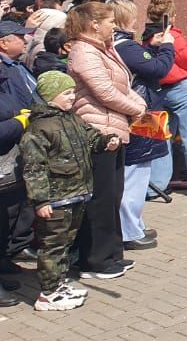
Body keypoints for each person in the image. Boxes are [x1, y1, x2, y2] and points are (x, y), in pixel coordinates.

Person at [20, 71, 120, 310]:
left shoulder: (72, 119)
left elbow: (91, 137)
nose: (72, 97)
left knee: (66, 243)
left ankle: (59, 283)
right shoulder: (40, 128)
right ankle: (47, 293)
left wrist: (106, 141)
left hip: (77, 193)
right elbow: (34, 167)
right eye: (66, 93)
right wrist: (41, 200)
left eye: (73, 92)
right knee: (53, 245)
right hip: (55, 198)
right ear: (49, 96)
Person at [66, 1, 146, 279]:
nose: (115, 25)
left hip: (114, 128)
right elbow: (104, 91)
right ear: (93, 24)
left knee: (112, 195)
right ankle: (95, 260)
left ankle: (110, 255)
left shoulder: (104, 49)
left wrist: (139, 103)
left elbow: (121, 85)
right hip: (97, 131)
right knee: (100, 197)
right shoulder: (83, 52)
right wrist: (137, 109)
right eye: (110, 21)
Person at [109, 0, 173, 250]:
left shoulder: (119, 45)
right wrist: (167, 47)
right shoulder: (124, 46)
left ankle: (133, 223)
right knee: (135, 173)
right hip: (138, 114)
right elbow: (159, 69)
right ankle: (129, 230)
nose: (136, 21)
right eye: (131, 17)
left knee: (136, 171)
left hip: (135, 112)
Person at [144, 0, 187, 197]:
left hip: (157, 91)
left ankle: (156, 185)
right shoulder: (172, 35)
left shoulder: (148, 36)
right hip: (180, 89)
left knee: (162, 137)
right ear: (171, 16)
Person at [0, 19, 37, 306]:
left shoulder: (13, 68)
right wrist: (19, 121)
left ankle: (3, 262)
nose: (25, 41)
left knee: (6, 213)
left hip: (9, 156)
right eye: (19, 37)